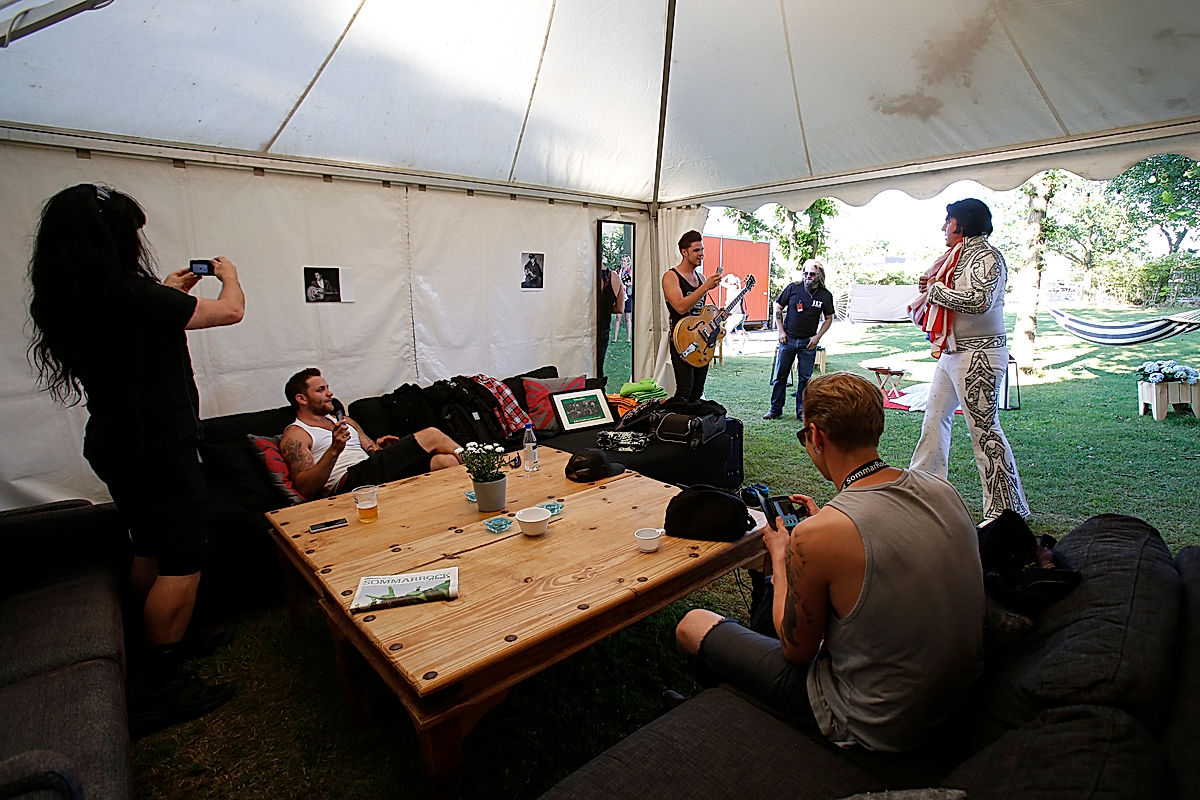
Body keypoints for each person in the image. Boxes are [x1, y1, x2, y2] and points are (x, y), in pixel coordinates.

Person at [27, 183, 246, 729]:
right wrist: (230, 275)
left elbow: (145, 321)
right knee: (183, 556)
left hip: (117, 442)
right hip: (157, 445)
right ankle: (161, 682)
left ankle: (152, 651)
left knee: (147, 544)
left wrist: (168, 289)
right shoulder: (129, 295)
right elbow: (231, 312)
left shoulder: (72, 296)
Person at [676, 372, 984, 752]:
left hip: (876, 724)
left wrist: (782, 559)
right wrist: (823, 528)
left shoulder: (820, 535)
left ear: (817, 435)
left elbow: (796, 649)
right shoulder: (942, 490)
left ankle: (732, 720)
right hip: (956, 705)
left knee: (693, 624)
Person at [910, 199, 1030, 522]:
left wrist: (935, 291)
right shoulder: (955, 257)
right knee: (933, 420)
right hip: (953, 352)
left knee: (984, 430)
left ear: (961, 224)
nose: (943, 228)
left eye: (948, 221)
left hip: (981, 354)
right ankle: (924, 489)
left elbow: (981, 301)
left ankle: (1006, 510)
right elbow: (945, 293)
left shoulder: (988, 256)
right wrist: (932, 289)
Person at [279, 368, 462, 499]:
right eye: (321, 390)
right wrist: (334, 450)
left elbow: (372, 452)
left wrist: (381, 449)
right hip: (348, 483)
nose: (330, 393)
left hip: (369, 471)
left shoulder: (345, 421)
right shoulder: (297, 434)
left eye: (328, 387)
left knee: (447, 462)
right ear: (301, 399)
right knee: (431, 435)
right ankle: (488, 466)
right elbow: (305, 488)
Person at [764, 259, 834, 420]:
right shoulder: (793, 288)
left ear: (819, 276)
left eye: (812, 274)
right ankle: (775, 409)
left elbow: (829, 318)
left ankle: (802, 412)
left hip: (808, 343)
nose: (808, 276)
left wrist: (817, 337)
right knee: (780, 376)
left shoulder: (825, 295)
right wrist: (780, 331)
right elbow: (778, 306)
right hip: (787, 340)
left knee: (805, 379)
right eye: (806, 273)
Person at [663, 230, 722, 401]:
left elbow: (700, 314)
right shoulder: (671, 276)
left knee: (697, 391)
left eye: (702, 250)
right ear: (684, 252)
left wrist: (717, 315)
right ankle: (680, 424)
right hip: (682, 338)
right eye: (696, 250)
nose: (701, 254)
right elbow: (680, 307)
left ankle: (695, 425)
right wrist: (704, 288)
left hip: (701, 340)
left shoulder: (701, 277)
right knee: (685, 390)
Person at [597, 260, 626, 378]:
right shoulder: (614, 277)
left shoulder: (584, 276)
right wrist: (606, 308)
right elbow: (620, 308)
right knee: (598, 367)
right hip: (603, 329)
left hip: (583, 330)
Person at [612, 254, 633, 343]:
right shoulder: (618, 271)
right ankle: (615, 338)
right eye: (622, 260)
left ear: (628, 263)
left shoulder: (629, 271)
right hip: (620, 296)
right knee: (618, 317)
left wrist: (624, 282)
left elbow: (631, 282)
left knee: (628, 317)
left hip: (627, 296)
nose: (623, 262)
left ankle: (628, 338)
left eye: (624, 261)